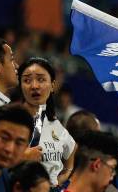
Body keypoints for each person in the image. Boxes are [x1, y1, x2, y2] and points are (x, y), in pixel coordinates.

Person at [18, 57, 76, 187]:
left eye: (41, 79)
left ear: (53, 86)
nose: (34, 86)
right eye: (27, 80)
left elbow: (72, 151)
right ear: (20, 85)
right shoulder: (11, 119)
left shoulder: (54, 123)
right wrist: (22, 157)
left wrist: (62, 177)